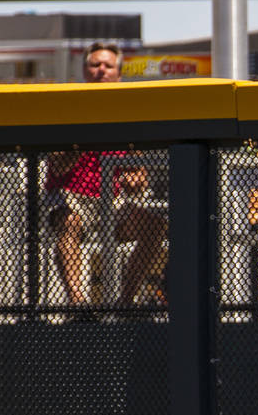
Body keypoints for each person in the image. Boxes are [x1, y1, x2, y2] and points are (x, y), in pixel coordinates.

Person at [44, 43, 167, 309]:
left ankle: (125, 302)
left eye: (108, 66)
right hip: (70, 199)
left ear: (118, 75)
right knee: (69, 221)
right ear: (84, 71)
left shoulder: (126, 115)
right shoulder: (67, 107)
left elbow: (139, 176)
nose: (101, 70)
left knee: (154, 225)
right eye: (95, 65)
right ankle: (78, 305)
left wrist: (136, 181)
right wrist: (84, 136)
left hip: (111, 205)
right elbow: (58, 165)